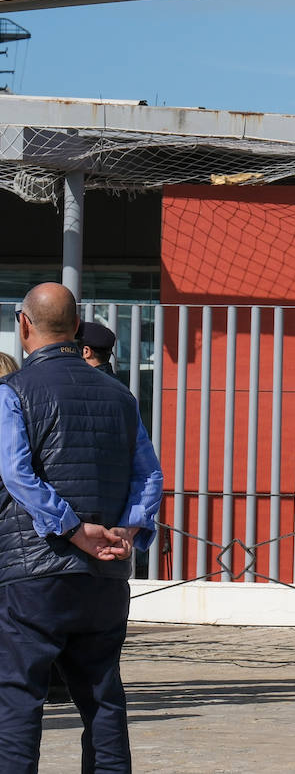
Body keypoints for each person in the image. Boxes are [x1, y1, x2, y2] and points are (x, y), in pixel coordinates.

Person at [0, 283, 163, 773]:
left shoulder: (13, 392)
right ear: (76, 329)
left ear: (24, 326)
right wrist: (128, 530)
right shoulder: (121, 395)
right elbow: (149, 474)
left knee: (18, 697)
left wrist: (71, 529)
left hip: (33, 569)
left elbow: (16, 472)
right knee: (103, 698)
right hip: (106, 572)